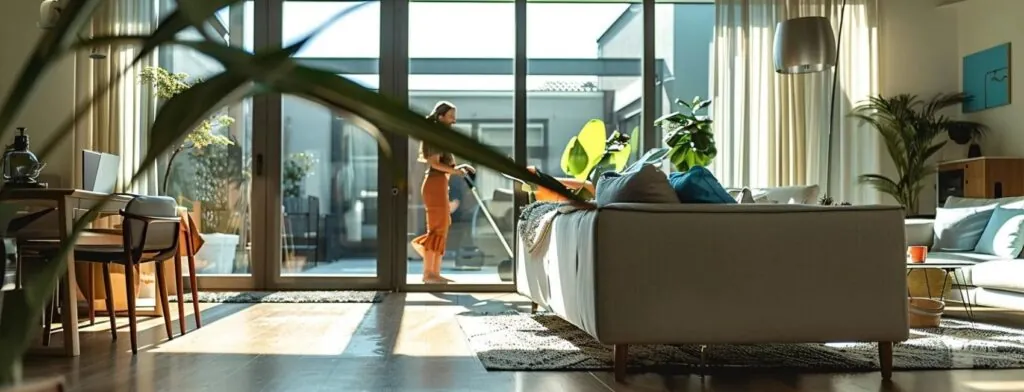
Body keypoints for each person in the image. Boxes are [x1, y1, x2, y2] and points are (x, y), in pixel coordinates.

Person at [411, 101, 475, 284]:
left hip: (439, 184)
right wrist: (456, 171)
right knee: (437, 229)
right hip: (434, 184)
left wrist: (458, 167)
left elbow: (444, 165)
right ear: (440, 117)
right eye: (450, 116)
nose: (454, 120)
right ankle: (429, 274)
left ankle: (434, 273)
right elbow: (435, 163)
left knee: (442, 227)